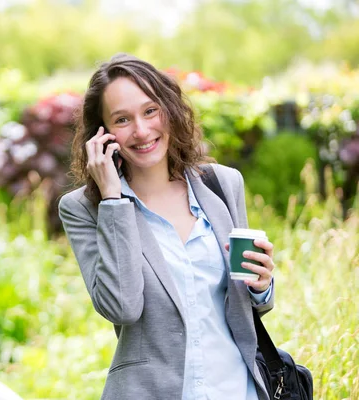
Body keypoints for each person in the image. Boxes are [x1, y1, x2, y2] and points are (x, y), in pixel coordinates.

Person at [58, 53, 276, 400]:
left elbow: (248, 308)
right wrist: (113, 199)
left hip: (237, 389)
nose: (142, 131)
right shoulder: (85, 208)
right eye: (122, 119)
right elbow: (122, 308)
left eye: (150, 111)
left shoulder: (221, 185)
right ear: (103, 133)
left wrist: (261, 286)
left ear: (170, 110)